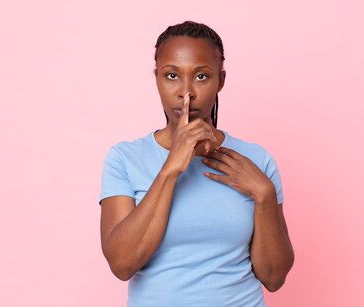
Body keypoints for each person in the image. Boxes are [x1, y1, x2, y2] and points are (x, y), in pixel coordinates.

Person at [98, 20, 294, 306]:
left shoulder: (257, 160)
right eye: (172, 75)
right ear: (157, 79)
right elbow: (122, 264)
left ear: (221, 80)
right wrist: (171, 168)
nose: (186, 92)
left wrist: (264, 195)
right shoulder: (124, 159)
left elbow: (274, 278)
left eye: (201, 76)